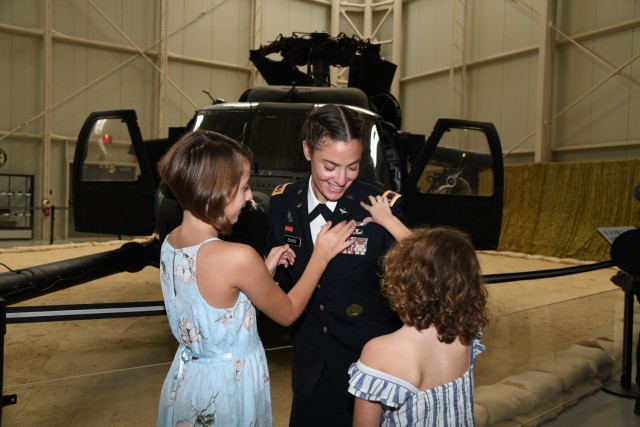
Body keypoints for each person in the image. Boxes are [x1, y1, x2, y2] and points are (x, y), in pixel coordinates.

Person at [155, 130, 357, 427]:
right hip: (227, 391)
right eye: (244, 188)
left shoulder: (171, 242)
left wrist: (264, 271)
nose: (249, 197)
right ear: (216, 191)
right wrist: (321, 256)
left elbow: (216, 305)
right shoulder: (237, 257)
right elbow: (287, 312)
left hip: (189, 381)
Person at [265, 103, 407, 426]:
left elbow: (424, 276)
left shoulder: (381, 208)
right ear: (306, 150)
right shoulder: (282, 202)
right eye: (329, 166)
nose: (341, 179)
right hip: (308, 371)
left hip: (368, 376)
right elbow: (278, 287)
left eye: (353, 167)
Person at [347, 226, 489, 426]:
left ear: (400, 278)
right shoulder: (468, 334)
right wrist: (388, 218)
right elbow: (441, 261)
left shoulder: (379, 352)